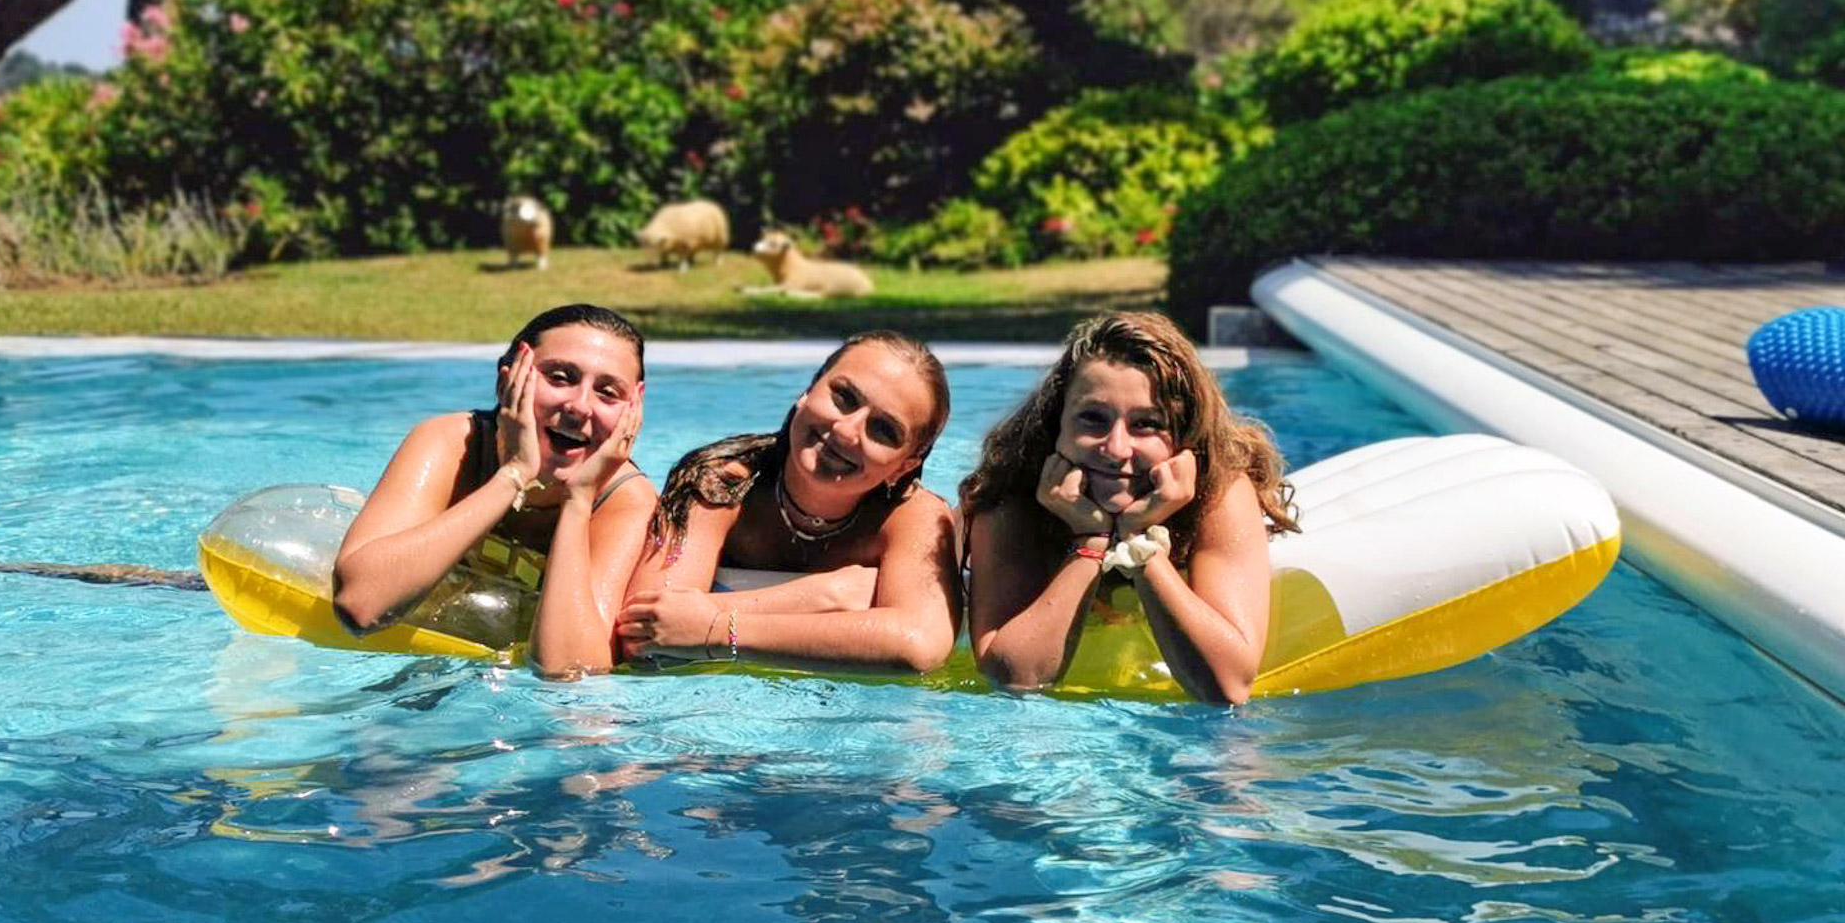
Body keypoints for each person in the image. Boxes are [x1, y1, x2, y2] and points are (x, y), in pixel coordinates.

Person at [960, 311, 1298, 704]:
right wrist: (1091, 540)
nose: (1116, 448)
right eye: (1092, 419)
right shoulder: (1013, 496)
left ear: (1184, 436)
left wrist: (1139, 542)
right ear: (1057, 426)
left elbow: (1228, 688)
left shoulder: (1218, 493)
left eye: (1147, 424)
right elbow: (1013, 679)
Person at [332, 304, 655, 678]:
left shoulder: (626, 502)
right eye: (560, 377)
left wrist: (578, 500)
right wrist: (514, 475)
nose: (580, 406)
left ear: (634, 409)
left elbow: (573, 678)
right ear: (507, 383)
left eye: (608, 392)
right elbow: (361, 605)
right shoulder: (452, 446)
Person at [615, 332, 960, 675]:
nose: (847, 430)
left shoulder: (914, 517)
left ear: (905, 465)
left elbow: (918, 645)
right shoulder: (724, 485)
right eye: (843, 397)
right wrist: (823, 596)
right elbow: (644, 629)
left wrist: (716, 629)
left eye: (884, 430)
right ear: (806, 393)